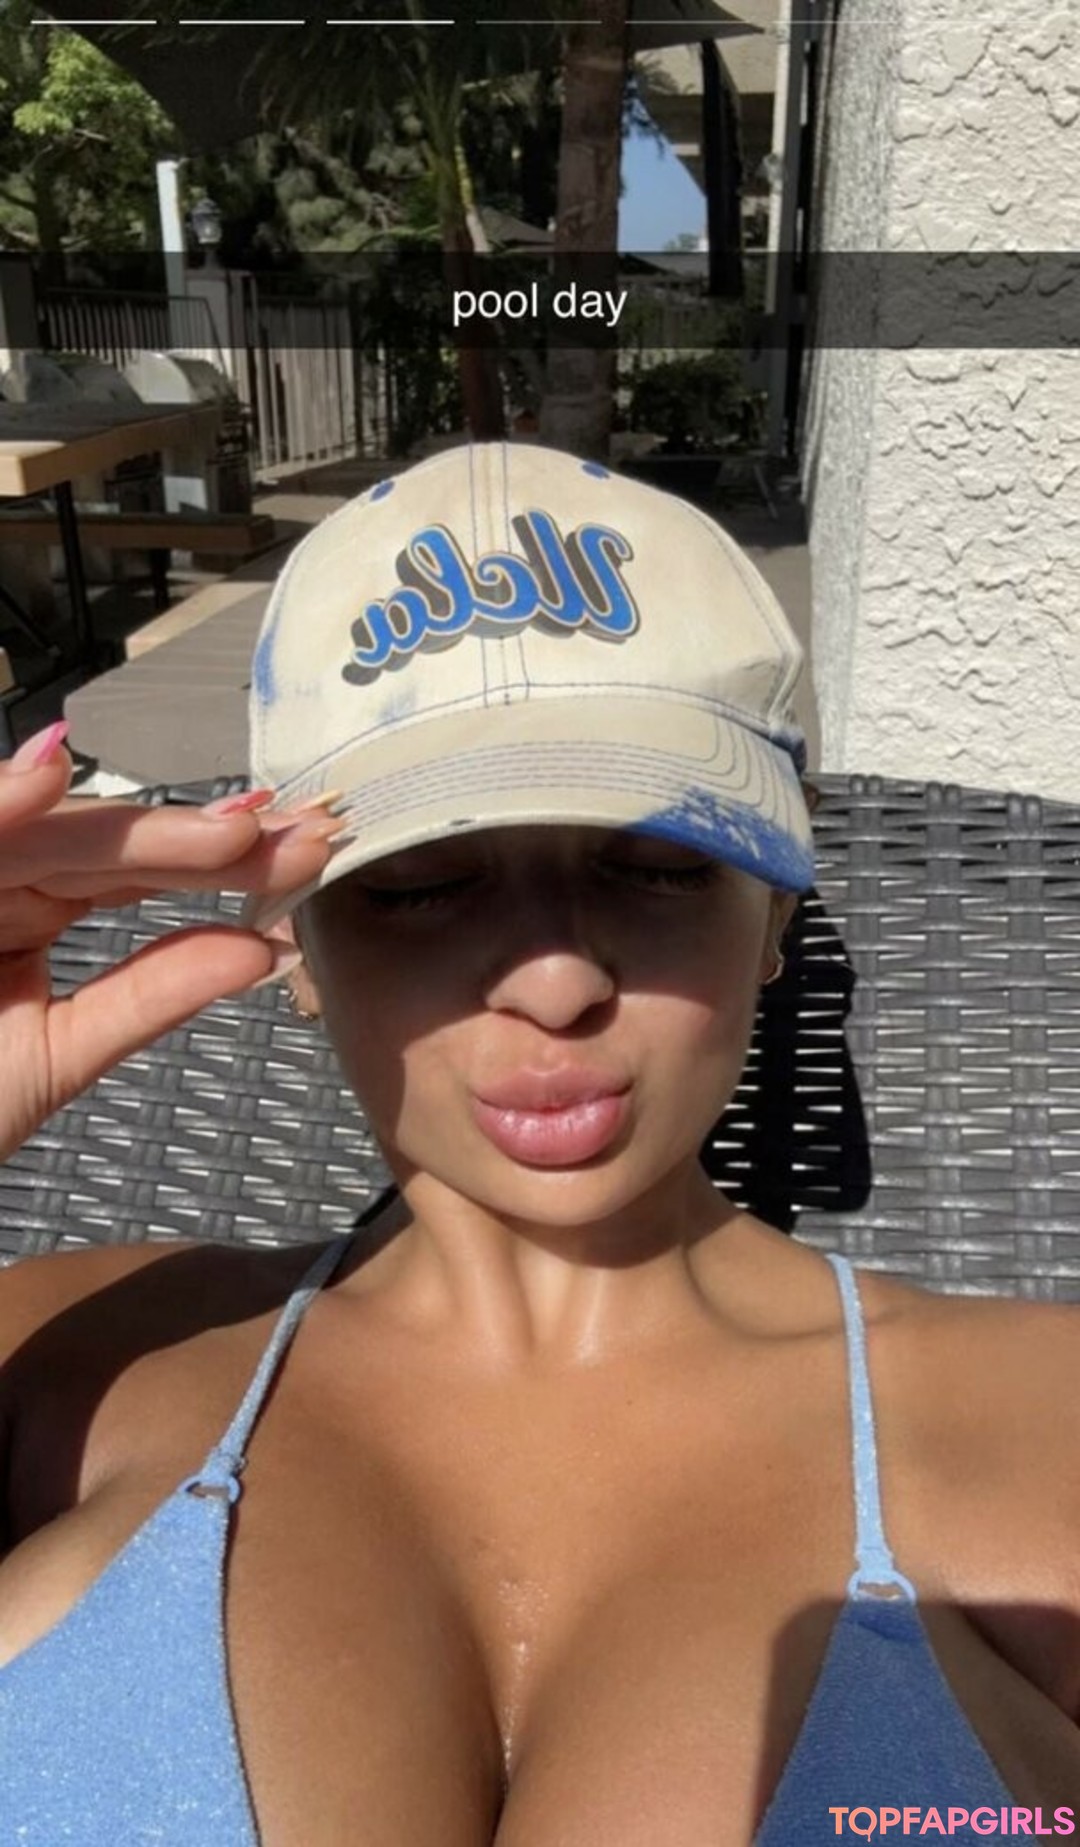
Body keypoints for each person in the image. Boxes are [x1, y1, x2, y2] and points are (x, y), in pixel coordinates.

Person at [0, 441, 1078, 1847]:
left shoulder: (1045, 1418)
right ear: (291, 935)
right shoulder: (65, 1359)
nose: (558, 981)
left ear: (776, 911)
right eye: (418, 885)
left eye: (657, 868)